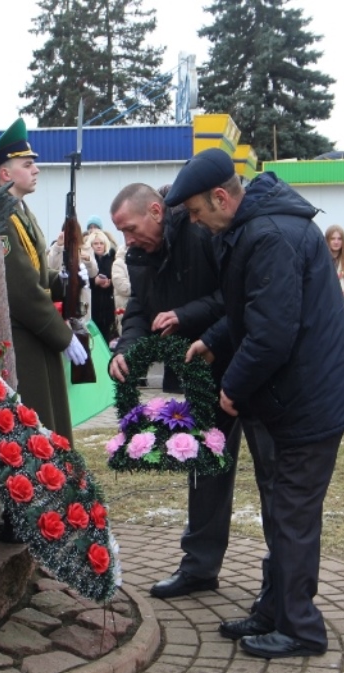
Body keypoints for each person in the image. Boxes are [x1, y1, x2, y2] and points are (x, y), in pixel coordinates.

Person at [168, 149, 344, 660]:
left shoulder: (269, 235)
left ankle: (301, 627)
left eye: (196, 212)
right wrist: (215, 337)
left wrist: (231, 388)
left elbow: (272, 334)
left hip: (311, 401)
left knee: (292, 515)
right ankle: (274, 607)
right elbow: (249, 309)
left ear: (221, 197)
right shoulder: (255, 228)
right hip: (298, 396)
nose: (197, 223)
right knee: (283, 510)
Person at [107, 182, 239, 600]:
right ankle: (200, 567)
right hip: (198, 373)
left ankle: (282, 584)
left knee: (274, 478)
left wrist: (184, 315)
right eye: (122, 233)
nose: (127, 240)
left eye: (130, 228)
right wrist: (125, 350)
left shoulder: (202, 231)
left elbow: (234, 295)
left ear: (156, 211)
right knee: (205, 470)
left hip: (242, 361)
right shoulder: (137, 255)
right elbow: (139, 311)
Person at [0, 118, 88, 440]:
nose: (36, 170)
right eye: (27, 164)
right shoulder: (1, 216)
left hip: (37, 332)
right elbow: (20, 289)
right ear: (5, 174)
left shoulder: (20, 211)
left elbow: (38, 274)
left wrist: (66, 277)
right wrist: (62, 335)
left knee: (51, 422)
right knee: (38, 426)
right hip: (24, 336)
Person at [87, 230, 117, 340]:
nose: (99, 246)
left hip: (108, 306)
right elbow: (82, 281)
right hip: (92, 305)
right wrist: (95, 282)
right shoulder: (87, 261)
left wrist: (110, 283)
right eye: (96, 243)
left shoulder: (112, 258)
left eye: (101, 243)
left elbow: (118, 277)